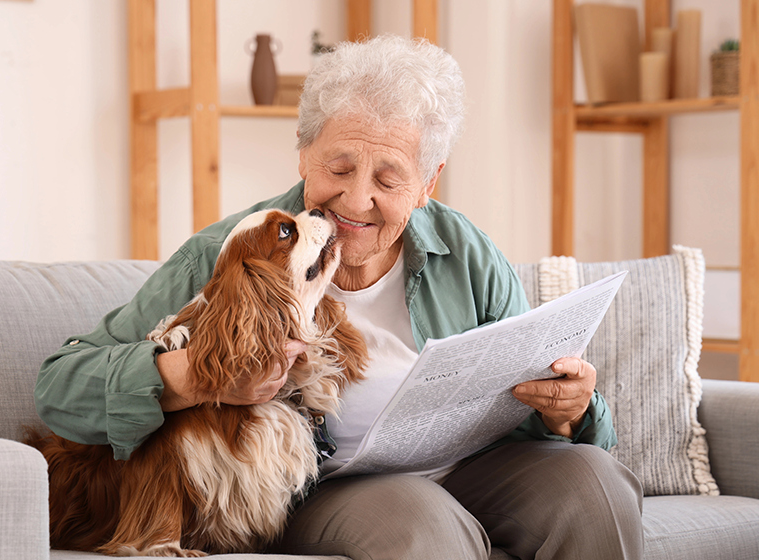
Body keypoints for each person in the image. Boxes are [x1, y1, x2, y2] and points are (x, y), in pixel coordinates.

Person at [35, 35, 643, 560]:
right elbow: (60, 388)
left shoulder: (466, 252)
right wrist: (199, 378)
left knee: (594, 483)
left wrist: (569, 409)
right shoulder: (234, 253)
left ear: (428, 182)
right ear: (303, 154)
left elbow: (536, 392)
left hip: (474, 467)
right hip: (331, 487)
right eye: (338, 167)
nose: (355, 202)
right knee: (417, 520)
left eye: (387, 178)